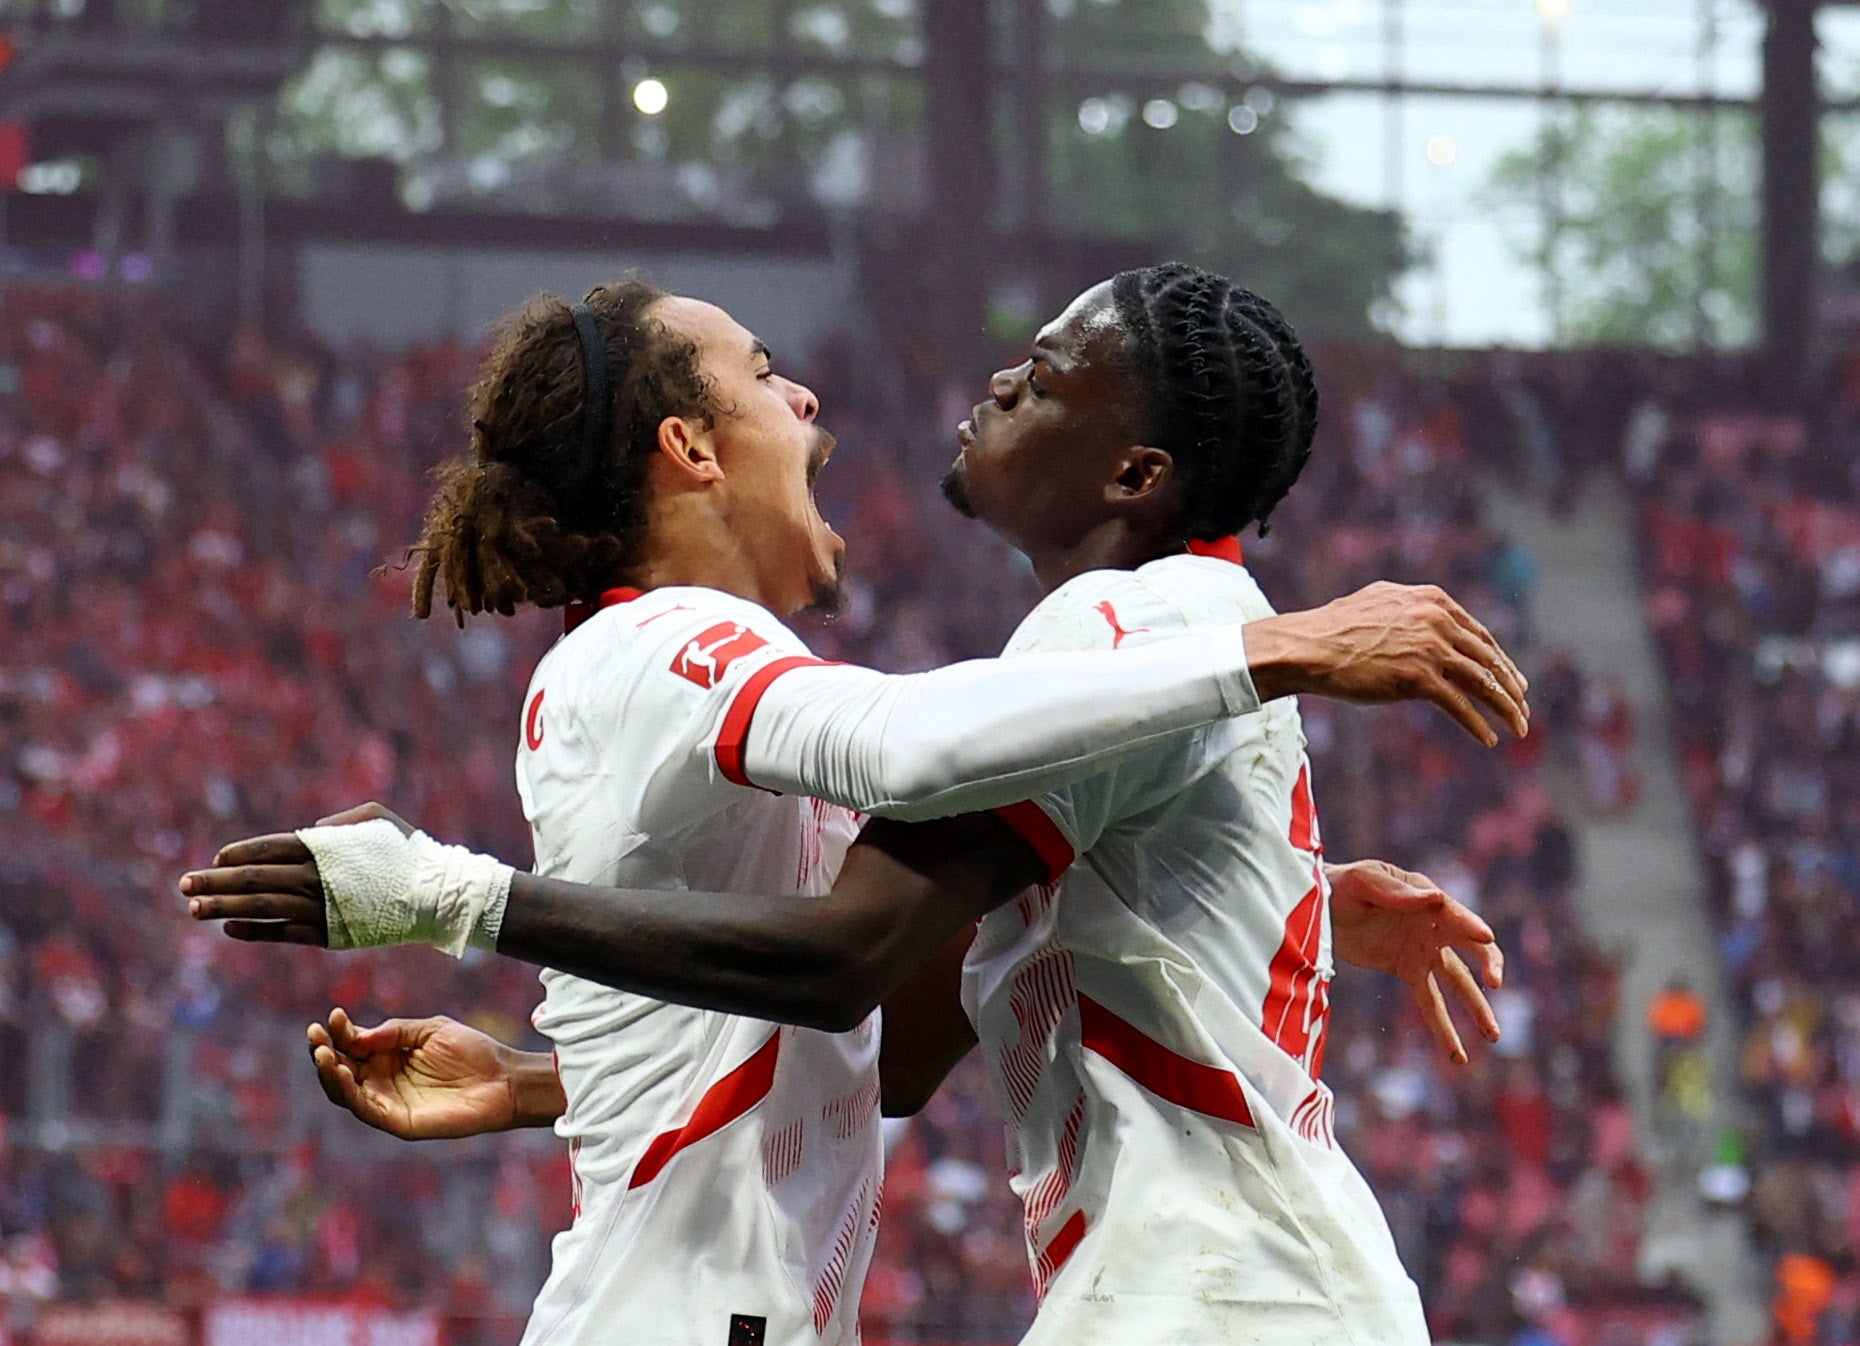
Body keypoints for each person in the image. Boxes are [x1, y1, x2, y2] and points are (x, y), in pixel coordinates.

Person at [184, 270, 1526, 1345]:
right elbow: (874, 870)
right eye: (766, 376)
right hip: (1114, 1292)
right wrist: (1284, 652)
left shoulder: (1117, 627)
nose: (812, 394)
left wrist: (1261, 889)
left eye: (1046, 374)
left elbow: (881, 1012)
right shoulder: (675, 640)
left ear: (1133, 473)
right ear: (690, 448)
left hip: (1200, 1291)